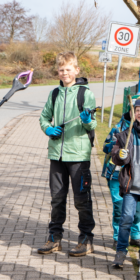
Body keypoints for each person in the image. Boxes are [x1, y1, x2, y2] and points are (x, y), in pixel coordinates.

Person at [38, 52, 97, 257]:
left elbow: (92, 124)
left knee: (82, 200)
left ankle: (86, 239)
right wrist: (48, 129)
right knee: (57, 199)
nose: (64, 73)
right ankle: (54, 238)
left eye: (68, 69)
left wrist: (87, 120)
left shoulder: (85, 94)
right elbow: (44, 117)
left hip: (78, 156)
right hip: (57, 155)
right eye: (61, 69)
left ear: (76, 70)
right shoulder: (54, 93)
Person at [110, 94, 140, 269]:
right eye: (137, 110)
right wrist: (119, 155)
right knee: (125, 219)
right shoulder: (127, 134)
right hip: (131, 187)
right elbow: (116, 156)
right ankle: (120, 252)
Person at [102, 110, 140, 249]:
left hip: (136, 176)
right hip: (116, 175)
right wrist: (115, 148)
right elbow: (105, 146)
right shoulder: (118, 128)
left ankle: (136, 235)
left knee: (137, 209)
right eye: (135, 110)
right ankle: (118, 236)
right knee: (119, 208)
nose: (138, 113)